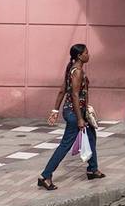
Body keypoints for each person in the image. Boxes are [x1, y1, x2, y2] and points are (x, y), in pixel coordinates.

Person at [37, 43, 105, 190]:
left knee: (91, 136)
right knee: (65, 144)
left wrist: (55, 110)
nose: (89, 55)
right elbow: (74, 94)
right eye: (86, 53)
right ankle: (45, 175)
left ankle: (92, 169)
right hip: (75, 113)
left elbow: (62, 90)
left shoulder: (71, 68)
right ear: (80, 56)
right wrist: (80, 118)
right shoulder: (78, 71)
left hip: (77, 111)